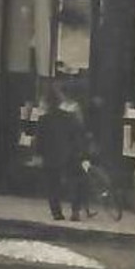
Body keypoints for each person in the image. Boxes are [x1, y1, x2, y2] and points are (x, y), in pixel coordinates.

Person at [35, 86, 86, 221]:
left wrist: (38, 155)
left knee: (52, 186)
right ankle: (75, 210)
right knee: (75, 183)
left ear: (47, 103)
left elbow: (39, 141)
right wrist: (78, 152)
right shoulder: (69, 117)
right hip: (69, 156)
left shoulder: (43, 120)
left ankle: (57, 212)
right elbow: (76, 136)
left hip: (51, 158)